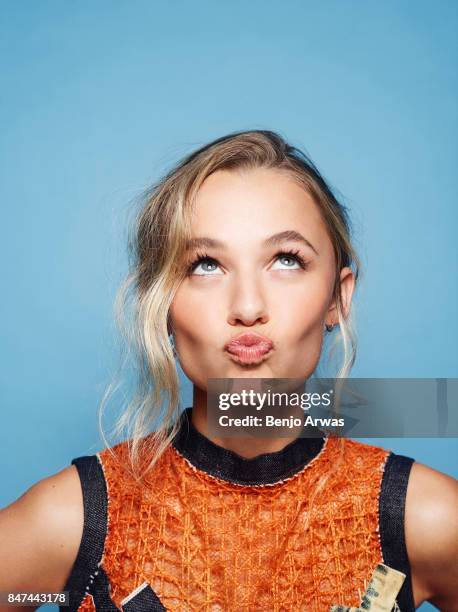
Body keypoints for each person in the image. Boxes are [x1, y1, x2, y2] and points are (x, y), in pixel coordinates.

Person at [0, 130, 456, 612]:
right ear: (162, 304)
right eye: (205, 265)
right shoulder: (76, 520)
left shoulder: (420, 518)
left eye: (285, 260)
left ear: (338, 298)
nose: (247, 306)